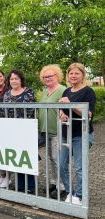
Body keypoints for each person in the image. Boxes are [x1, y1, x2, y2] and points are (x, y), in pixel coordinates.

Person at [59, 63, 96, 205]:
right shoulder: (67, 91)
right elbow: (61, 109)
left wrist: (71, 105)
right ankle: (70, 192)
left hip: (81, 134)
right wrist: (62, 114)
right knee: (61, 165)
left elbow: (89, 114)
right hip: (65, 133)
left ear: (82, 75)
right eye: (71, 73)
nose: (73, 76)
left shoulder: (88, 91)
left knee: (79, 167)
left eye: (76, 73)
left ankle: (80, 195)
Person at [3, 70, 36, 193]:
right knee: (16, 158)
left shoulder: (29, 92)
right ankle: (20, 186)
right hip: (11, 131)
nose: (14, 81)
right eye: (12, 79)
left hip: (26, 130)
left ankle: (31, 186)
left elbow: (31, 111)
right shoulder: (7, 94)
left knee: (26, 158)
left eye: (16, 78)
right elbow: (3, 113)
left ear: (21, 80)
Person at [38, 65, 66, 198]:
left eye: (50, 76)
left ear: (57, 76)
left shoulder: (62, 90)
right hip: (46, 129)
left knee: (57, 158)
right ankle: (54, 182)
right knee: (50, 158)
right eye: (45, 77)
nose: (47, 78)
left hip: (57, 130)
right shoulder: (45, 90)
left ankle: (62, 186)